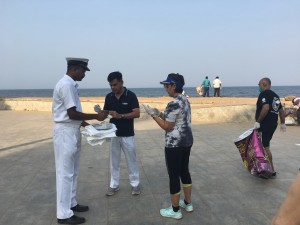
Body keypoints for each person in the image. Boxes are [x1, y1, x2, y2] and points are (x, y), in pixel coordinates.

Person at [52, 57, 105, 224]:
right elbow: (72, 114)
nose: (84, 74)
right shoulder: (67, 85)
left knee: (73, 171)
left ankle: (71, 203)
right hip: (65, 133)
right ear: (74, 69)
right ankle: (63, 214)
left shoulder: (71, 85)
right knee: (64, 174)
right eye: (83, 71)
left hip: (72, 131)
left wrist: (90, 126)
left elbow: (75, 115)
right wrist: (97, 116)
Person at [143, 73, 193, 220]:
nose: (165, 88)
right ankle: (188, 203)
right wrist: (159, 112)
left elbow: (167, 126)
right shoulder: (185, 100)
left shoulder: (173, 103)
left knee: (173, 175)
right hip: (186, 142)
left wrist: (152, 115)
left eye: (167, 85)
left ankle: (175, 210)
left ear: (174, 86)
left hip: (174, 145)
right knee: (184, 171)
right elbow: (174, 119)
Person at [103, 71, 141, 196]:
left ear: (121, 82)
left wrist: (121, 116)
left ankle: (135, 185)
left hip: (128, 134)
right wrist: (99, 112)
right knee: (114, 162)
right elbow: (104, 113)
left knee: (131, 161)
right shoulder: (109, 97)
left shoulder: (131, 95)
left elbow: (137, 113)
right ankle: (114, 185)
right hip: (113, 134)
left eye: (115, 84)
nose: (113, 88)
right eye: (111, 85)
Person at [253, 77, 286, 177]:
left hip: (265, 124)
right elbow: (281, 111)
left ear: (264, 84)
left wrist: (258, 122)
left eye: (259, 84)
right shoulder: (275, 96)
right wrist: (283, 123)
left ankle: (270, 170)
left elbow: (266, 107)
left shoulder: (263, 94)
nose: (258, 87)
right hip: (273, 124)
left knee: (265, 146)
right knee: (265, 145)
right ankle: (264, 167)